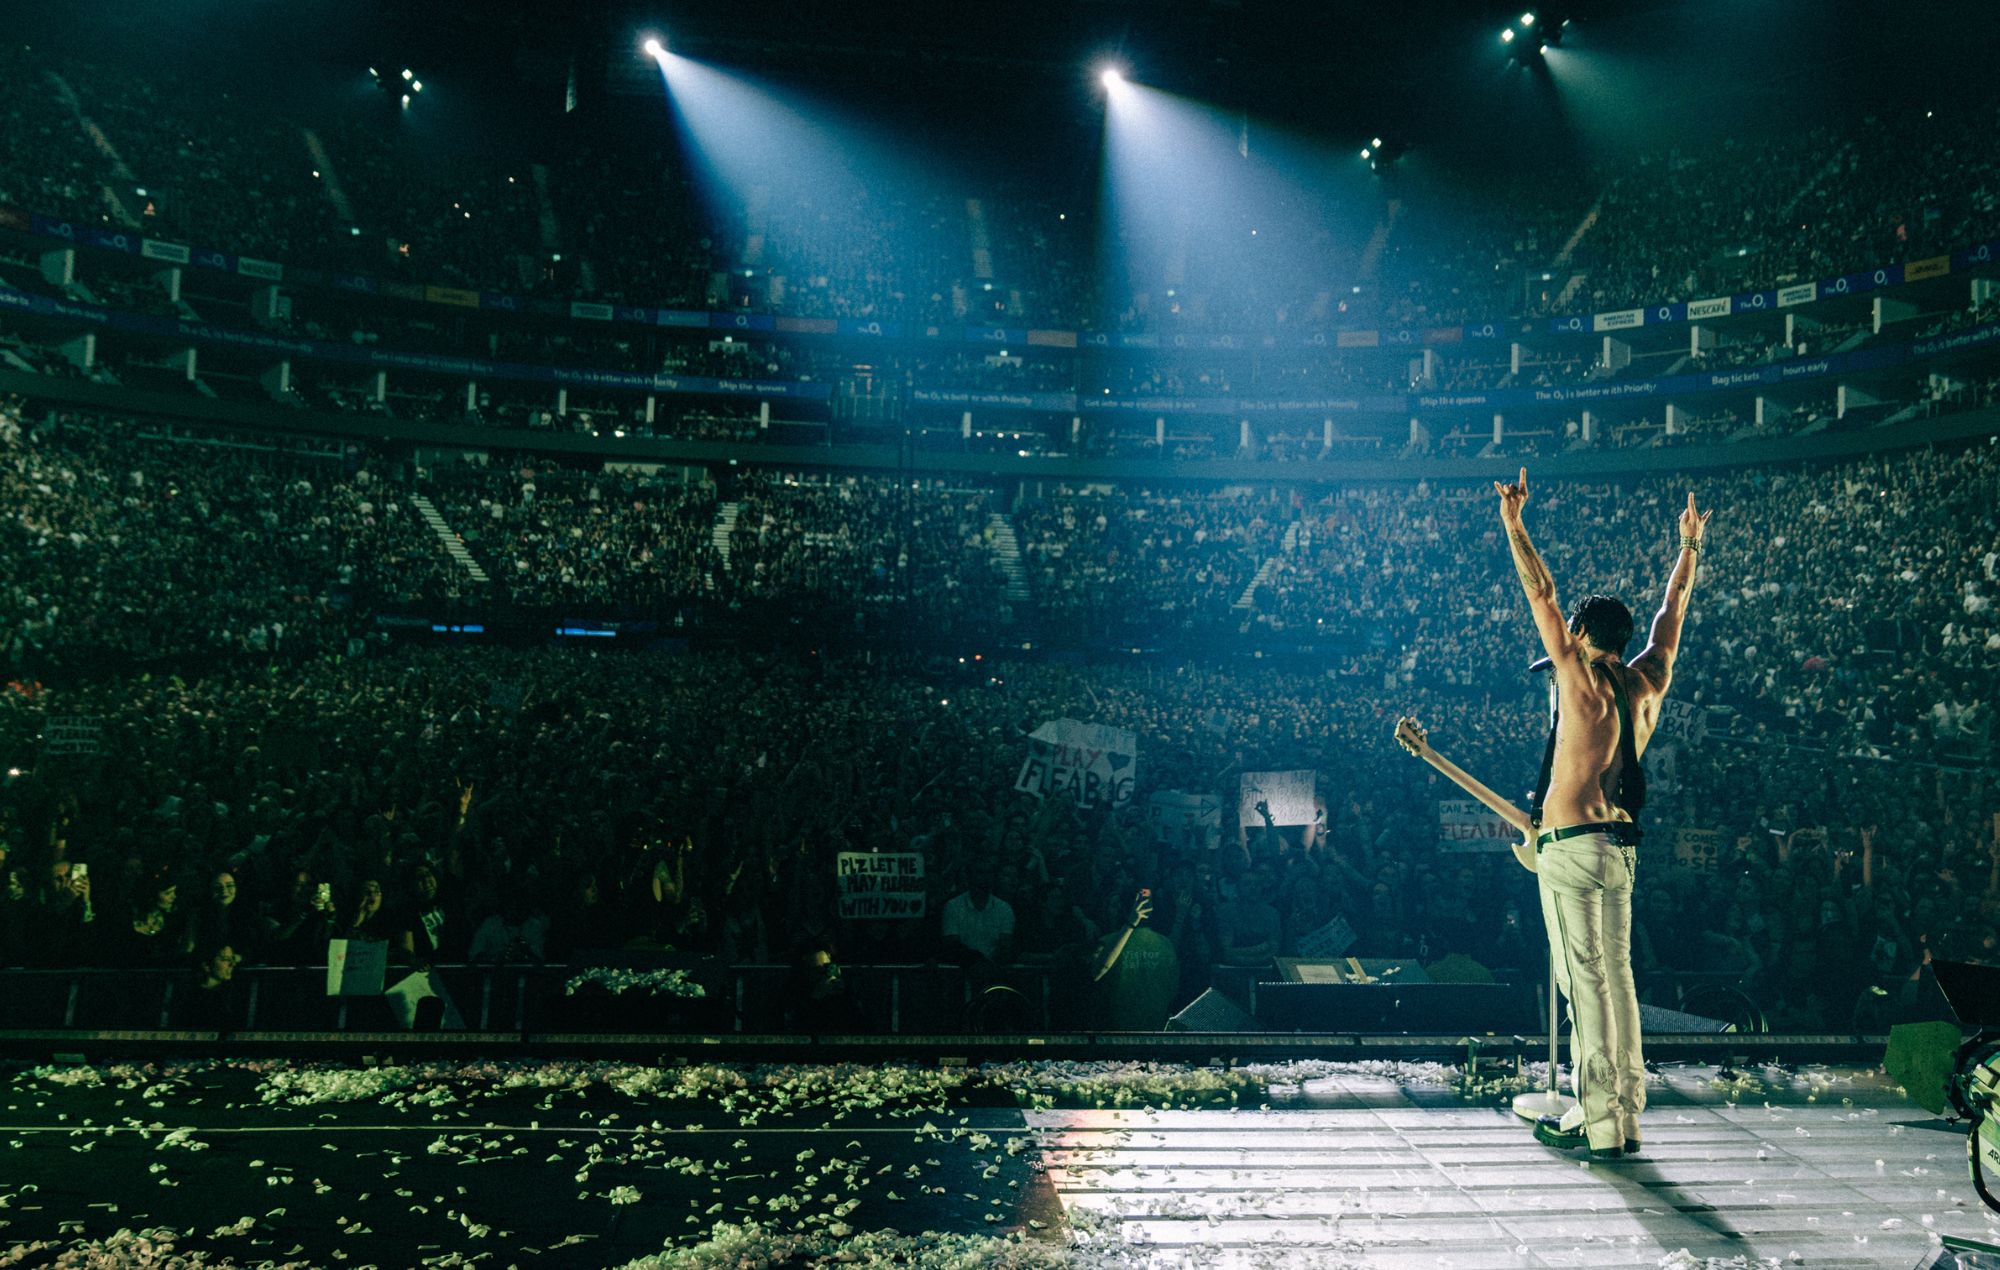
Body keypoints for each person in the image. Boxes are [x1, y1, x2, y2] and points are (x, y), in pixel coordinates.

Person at [1495, 468, 1710, 1159]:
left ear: (1585, 634)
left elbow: (1542, 594)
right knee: (1618, 983)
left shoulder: (1578, 674)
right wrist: (1689, 550)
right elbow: (1671, 614)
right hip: (1622, 849)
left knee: (1583, 984)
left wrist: (1514, 523)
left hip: (1569, 844)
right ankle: (1629, 1114)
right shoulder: (1649, 682)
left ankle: (1596, 1123)